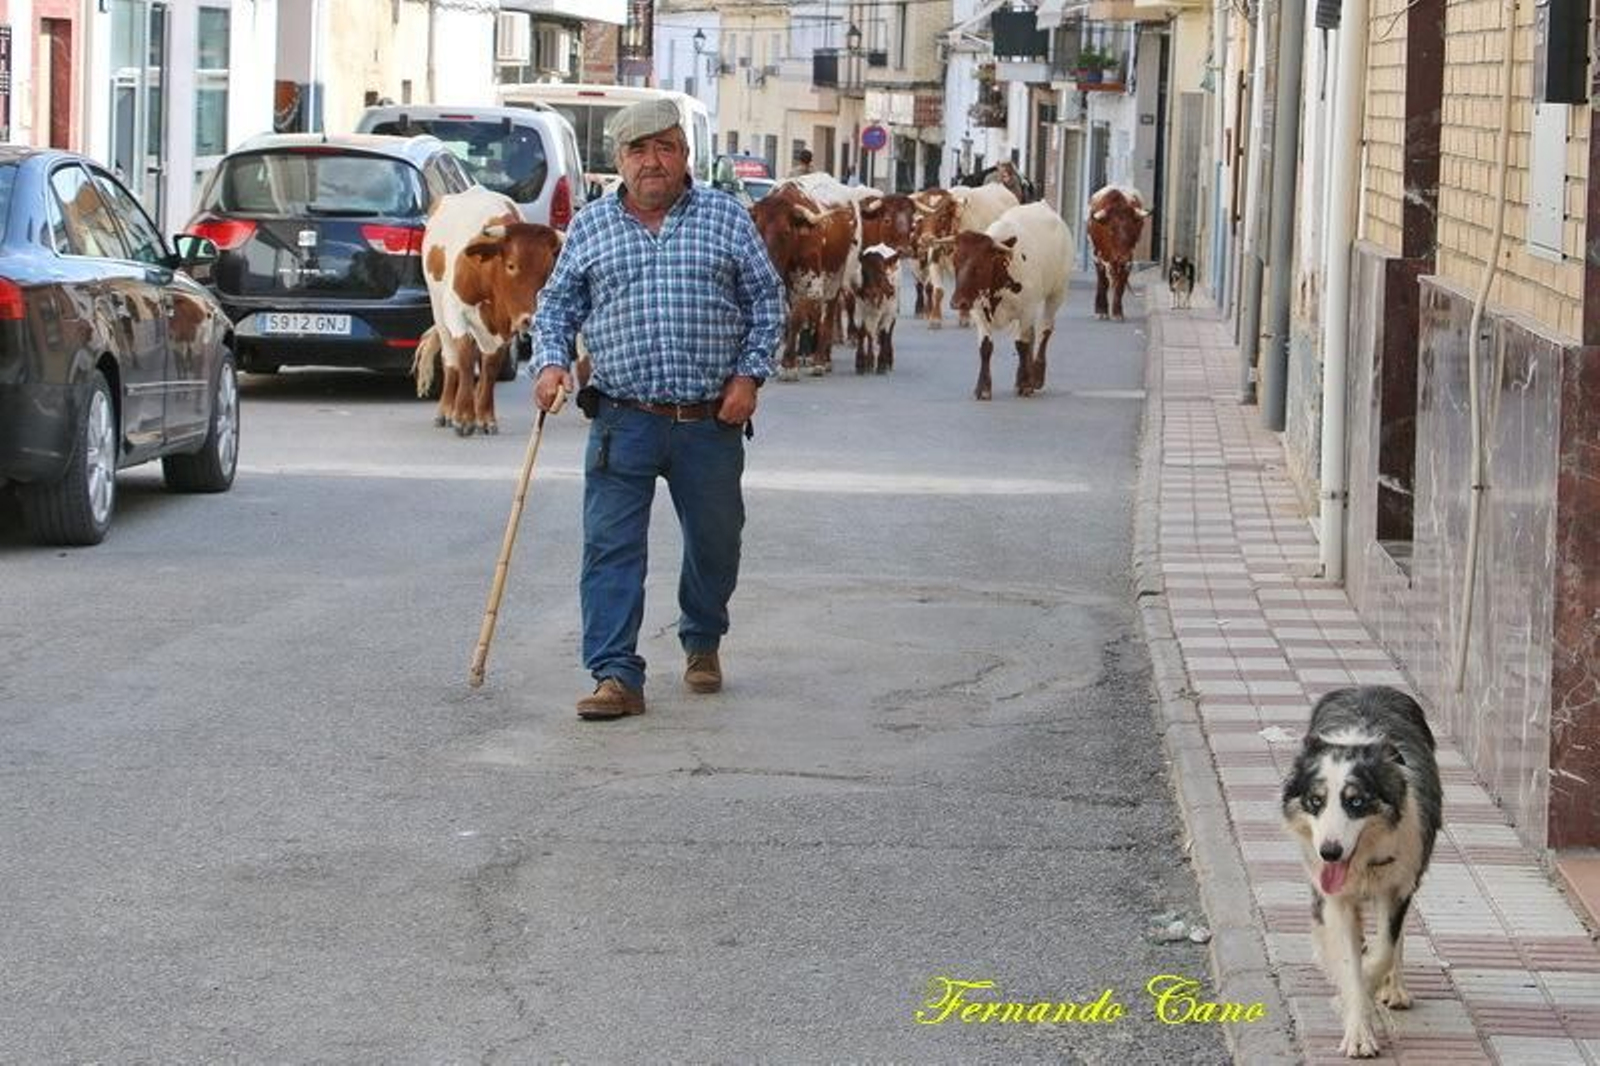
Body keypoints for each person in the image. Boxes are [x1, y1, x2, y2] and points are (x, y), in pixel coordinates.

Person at [531, 98, 787, 721]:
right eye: (639, 150)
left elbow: (768, 303)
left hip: (710, 421)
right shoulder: (592, 226)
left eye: (665, 147)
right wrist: (551, 362)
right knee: (611, 548)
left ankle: (702, 636)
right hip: (624, 417)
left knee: (715, 542)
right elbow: (557, 305)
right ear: (619, 160)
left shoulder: (726, 218)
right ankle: (616, 674)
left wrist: (749, 376)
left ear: (685, 155)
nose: (652, 162)